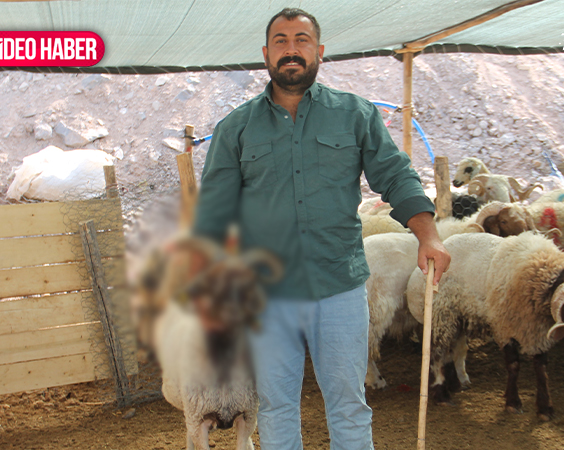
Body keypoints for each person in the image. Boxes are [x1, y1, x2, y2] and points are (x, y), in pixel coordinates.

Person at [192, 8, 451, 450]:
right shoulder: (236, 128)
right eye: (281, 40)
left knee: (349, 403)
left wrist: (427, 234)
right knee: (275, 407)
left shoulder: (354, 115)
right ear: (266, 52)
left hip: (339, 288)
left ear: (319, 51)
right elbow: (214, 214)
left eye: (302, 40)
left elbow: (395, 174)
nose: (291, 49)